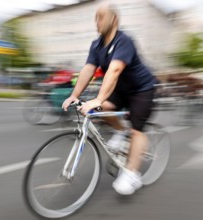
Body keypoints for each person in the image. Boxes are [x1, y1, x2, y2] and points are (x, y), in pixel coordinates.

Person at [62, 3, 158, 195]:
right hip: (121, 89)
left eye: (101, 17)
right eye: (95, 17)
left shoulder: (124, 41)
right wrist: (74, 95)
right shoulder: (96, 45)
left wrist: (97, 98)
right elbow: (88, 70)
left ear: (114, 19)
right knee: (99, 109)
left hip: (141, 89)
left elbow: (114, 70)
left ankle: (132, 174)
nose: (96, 21)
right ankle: (121, 131)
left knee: (137, 130)